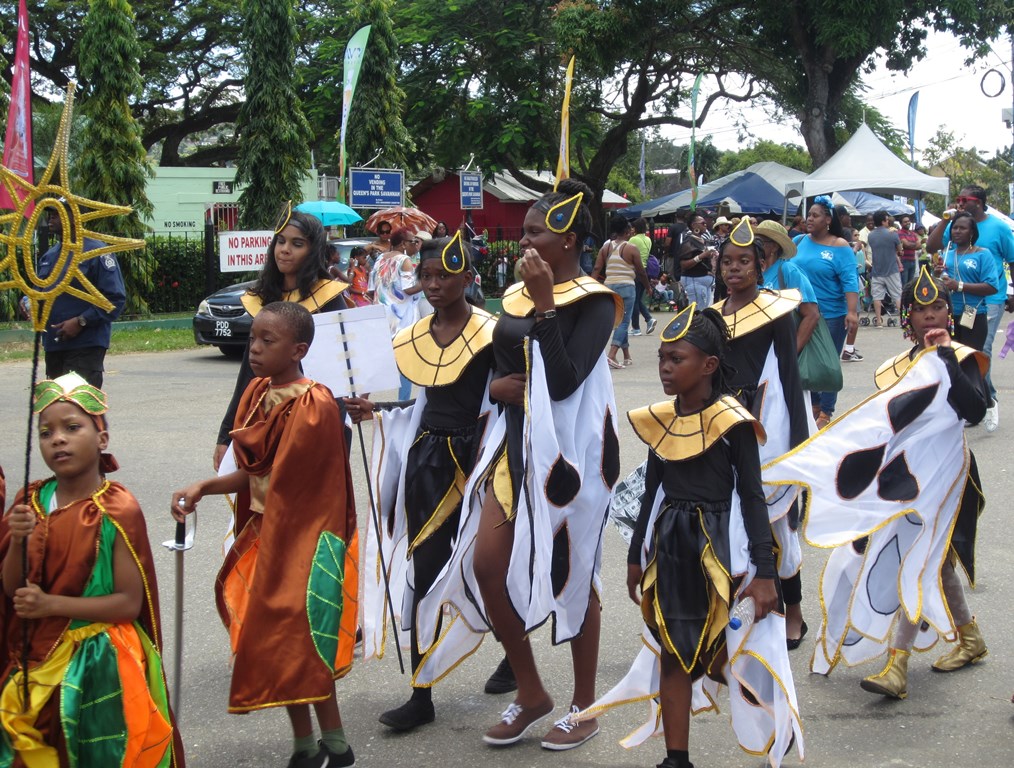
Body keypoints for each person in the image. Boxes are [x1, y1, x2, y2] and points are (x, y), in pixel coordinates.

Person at [411, 180, 622, 751]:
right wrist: (496, 387)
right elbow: (493, 364)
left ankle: (584, 705)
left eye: (534, 231)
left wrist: (548, 301)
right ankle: (531, 691)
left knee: (576, 573)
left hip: (572, 458)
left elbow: (565, 379)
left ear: (569, 240)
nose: (523, 240)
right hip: (510, 449)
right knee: (486, 567)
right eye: (525, 229)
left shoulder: (597, 301)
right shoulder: (513, 294)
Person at [598, 305, 794, 768]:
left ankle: (774, 719)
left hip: (720, 547)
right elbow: (651, 493)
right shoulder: (661, 419)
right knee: (672, 649)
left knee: (724, 651)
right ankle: (676, 758)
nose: (665, 367)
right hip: (671, 544)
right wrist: (633, 555)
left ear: (708, 365)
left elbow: (751, 498)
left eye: (676, 359)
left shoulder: (734, 423)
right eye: (663, 358)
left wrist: (766, 572)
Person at [172, 302, 358, 768]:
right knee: (277, 641)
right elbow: (251, 471)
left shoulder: (314, 403)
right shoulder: (256, 391)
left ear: (299, 350)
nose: (254, 348)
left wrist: (218, 488)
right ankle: (305, 744)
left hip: (304, 544)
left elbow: (288, 485)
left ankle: (334, 742)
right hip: (264, 534)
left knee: (305, 640)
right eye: (253, 338)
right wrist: (205, 486)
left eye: (266, 341)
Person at [345, 234, 498, 732]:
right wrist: (378, 411)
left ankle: (516, 658)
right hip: (429, 459)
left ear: (468, 279)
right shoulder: (414, 333)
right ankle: (421, 691)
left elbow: (512, 404)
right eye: (426, 275)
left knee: (489, 566)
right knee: (425, 566)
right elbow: (424, 406)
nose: (433, 284)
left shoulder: (495, 334)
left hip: (480, 461)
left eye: (444, 275)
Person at [0, 372, 184, 766]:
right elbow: (12, 587)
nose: (57, 439)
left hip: (99, 661)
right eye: (46, 432)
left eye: (72, 427)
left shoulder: (116, 509)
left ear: (102, 438)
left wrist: (51, 604)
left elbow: (127, 604)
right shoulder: (30, 499)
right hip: (33, 652)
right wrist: (16, 541)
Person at [857, 270, 988, 700]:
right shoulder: (895, 367)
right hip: (905, 478)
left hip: (949, 477)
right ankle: (969, 638)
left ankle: (897, 664)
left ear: (949, 314)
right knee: (936, 563)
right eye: (920, 309)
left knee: (921, 560)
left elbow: (973, 411)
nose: (930, 316)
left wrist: (947, 358)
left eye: (938, 308)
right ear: (906, 318)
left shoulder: (964, 356)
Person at [716, 219, 811, 651]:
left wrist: (801, 443)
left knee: (776, 526)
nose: (734, 269)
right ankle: (738, 603)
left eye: (744, 262)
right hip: (721, 428)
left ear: (761, 265)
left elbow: (788, 377)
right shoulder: (712, 315)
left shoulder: (777, 310)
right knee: (727, 519)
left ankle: (794, 611)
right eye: (727, 262)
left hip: (765, 429)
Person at [212, 210, 347, 471]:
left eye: (297, 244)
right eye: (281, 241)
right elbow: (248, 370)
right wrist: (226, 433)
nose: (285, 250)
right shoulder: (262, 297)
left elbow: (341, 372)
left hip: (315, 417)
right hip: (264, 414)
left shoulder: (328, 298)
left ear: (313, 250)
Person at [927, 184, 1014, 432]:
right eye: (959, 198)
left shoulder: (996, 231)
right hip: (953, 312)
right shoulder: (951, 248)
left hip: (984, 305)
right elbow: (932, 247)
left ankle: (987, 401)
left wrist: (1012, 293)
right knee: (953, 356)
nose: (961, 202)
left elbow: (1010, 262)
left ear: (980, 202)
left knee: (977, 356)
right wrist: (946, 221)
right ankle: (965, 404)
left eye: (965, 199)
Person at [34, 201, 127, 388]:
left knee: (79, 410)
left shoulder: (97, 252)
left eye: (58, 212)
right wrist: (29, 301)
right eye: (50, 212)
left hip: (85, 346)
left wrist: (81, 321)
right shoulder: (50, 256)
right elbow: (42, 292)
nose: (51, 216)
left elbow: (115, 299)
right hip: (54, 346)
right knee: (58, 411)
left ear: (76, 217)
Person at [792, 194, 860, 428]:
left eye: (815, 215)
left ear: (828, 219)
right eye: (809, 215)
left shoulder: (839, 246)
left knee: (827, 363)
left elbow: (850, 281)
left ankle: (826, 411)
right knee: (806, 361)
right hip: (801, 312)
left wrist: (852, 312)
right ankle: (814, 403)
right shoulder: (800, 240)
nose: (809, 219)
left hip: (831, 314)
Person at [933, 212, 1000, 353]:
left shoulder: (983, 254)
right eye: (954, 227)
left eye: (962, 228)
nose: (957, 231)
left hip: (973, 313)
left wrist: (959, 286)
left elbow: (992, 286)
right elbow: (940, 284)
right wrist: (937, 274)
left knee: (970, 360)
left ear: (972, 232)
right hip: (949, 314)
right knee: (949, 360)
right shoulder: (946, 255)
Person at [371, 228, 426, 400]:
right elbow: (409, 289)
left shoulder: (379, 259)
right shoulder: (404, 260)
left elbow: (371, 287)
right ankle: (403, 400)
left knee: (377, 362)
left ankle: (362, 397)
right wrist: (428, 281)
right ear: (403, 244)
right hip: (400, 318)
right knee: (405, 360)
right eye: (412, 242)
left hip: (381, 314)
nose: (414, 245)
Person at [593, 215, 652, 368]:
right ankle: (611, 355)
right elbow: (641, 272)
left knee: (619, 320)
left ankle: (626, 355)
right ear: (627, 231)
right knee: (624, 322)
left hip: (609, 286)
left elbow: (597, 268)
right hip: (626, 286)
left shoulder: (606, 247)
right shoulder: (631, 248)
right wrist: (648, 287)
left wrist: (591, 285)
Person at [756, 219, 820, 354]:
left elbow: (812, 314)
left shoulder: (788, 270)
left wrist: (791, 353)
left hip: (781, 346)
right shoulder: (754, 271)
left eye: (760, 242)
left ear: (774, 247)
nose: (755, 246)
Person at [867, 209, 904, 328]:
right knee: (897, 295)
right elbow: (900, 250)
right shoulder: (892, 234)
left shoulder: (871, 235)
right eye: (887, 220)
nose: (888, 221)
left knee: (877, 297)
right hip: (892, 270)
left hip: (877, 270)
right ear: (883, 221)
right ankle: (903, 320)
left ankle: (879, 321)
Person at [678, 213, 718, 308]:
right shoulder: (689, 241)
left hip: (704, 281)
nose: (705, 225)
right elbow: (683, 264)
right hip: (694, 280)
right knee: (697, 313)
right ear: (694, 225)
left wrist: (709, 270)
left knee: (703, 312)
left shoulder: (702, 240)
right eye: (703, 223)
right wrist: (702, 256)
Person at [629, 218, 658, 336]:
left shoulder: (633, 239)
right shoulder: (648, 239)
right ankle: (648, 319)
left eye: (632, 227)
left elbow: (628, 252)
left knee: (634, 300)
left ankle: (636, 327)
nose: (631, 229)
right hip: (644, 271)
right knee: (637, 299)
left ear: (635, 228)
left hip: (635, 270)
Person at [897, 214, 920, 286]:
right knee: (904, 284)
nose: (908, 223)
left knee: (911, 284)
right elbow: (906, 244)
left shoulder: (913, 233)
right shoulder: (899, 233)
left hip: (913, 260)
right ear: (901, 224)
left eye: (908, 221)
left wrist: (911, 245)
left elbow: (919, 246)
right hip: (904, 261)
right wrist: (915, 244)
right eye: (905, 222)